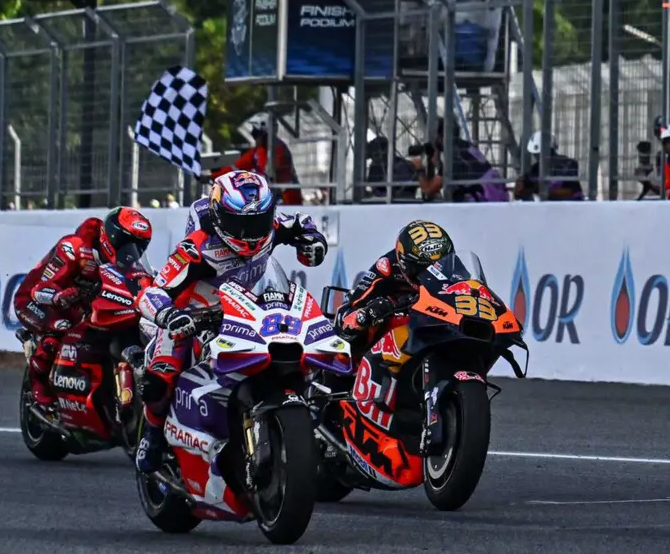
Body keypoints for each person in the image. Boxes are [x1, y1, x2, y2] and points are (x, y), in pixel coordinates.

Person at [133, 170, 328, 473]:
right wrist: (169, 314)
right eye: (241, 223)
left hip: (247, 307)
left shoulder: (272, 224)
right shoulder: (196, 248)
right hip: (192, 314)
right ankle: (152, 433)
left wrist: (313, 241)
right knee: (159, 383)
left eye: (258, 222)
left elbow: (302, 223)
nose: (251, 232)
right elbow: (152, 292)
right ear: (220, 216)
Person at [14, 207, 154, 414]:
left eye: (138, 246)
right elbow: (39, 289)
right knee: (59, 328)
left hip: (76, 305)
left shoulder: (127, 264)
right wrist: (58, 296)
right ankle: (38, 387)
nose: (131, 251)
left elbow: (140, 285)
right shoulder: (75, 248)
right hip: (36, 301)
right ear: (111, 236)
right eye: (126, 244)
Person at [333, 220, 454, 359]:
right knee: (344, 352)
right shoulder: (386, 267)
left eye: (440, 265)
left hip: (436, 326)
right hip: (396, 329)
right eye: (423, 269)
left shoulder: (454, 267)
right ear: (404, 264)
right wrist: (368, 313)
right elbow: (348, 313)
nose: (431, 275)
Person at [212, 122, 303, 206]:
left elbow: (270, 172)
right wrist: (214, 176)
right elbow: (236, 168)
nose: (254, 138)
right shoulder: (256, 151)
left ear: (266, 134)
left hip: (287, 198)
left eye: (256, 135)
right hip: (271, 196)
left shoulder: (279, 149)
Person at [513, 132, 585, 201]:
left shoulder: (569, 164)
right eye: (536, 155)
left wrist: (540, 189)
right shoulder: (536, 168)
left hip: (571, 206)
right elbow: (519, 193)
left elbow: (569, 191)